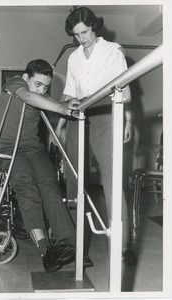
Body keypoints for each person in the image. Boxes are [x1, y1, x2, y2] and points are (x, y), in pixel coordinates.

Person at [56, 7, 137, 266]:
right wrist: (60, 125)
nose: (82, 39)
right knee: (73, 182)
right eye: (77, 35)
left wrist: (128, 119)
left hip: (106, 116)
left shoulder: (113, 51)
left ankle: (123, 247)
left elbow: (124, 91)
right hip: (78, 119)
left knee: (112, 183)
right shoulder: (74, 58)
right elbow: (69, 94)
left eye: (85, 32)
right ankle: (76, 245)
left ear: (94, 27)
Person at [0, 59, 80, 273]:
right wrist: (60, 106)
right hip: (8, 149)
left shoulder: (39, 94)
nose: (41, 90)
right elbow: (29, 96)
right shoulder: (14, 84)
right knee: (27, 187)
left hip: (34, 149)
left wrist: (67, 104)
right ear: (26, 78)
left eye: (45, 86)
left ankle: (69, 243)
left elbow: (44, 99)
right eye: (38, 84)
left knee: (50, 186)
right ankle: (45, 249)